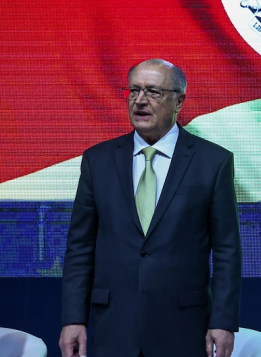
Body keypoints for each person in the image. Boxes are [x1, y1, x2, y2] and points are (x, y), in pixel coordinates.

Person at [59, 59, 242, 357]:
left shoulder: (213, 162)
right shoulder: (98, 160)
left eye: (154, 92)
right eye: (134, 91)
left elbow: (227, 250)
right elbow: (80, 247)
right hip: (113, 325)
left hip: (183, 325)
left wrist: (223, 321)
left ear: (179, 100)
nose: (140, 100)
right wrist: (73, 318)